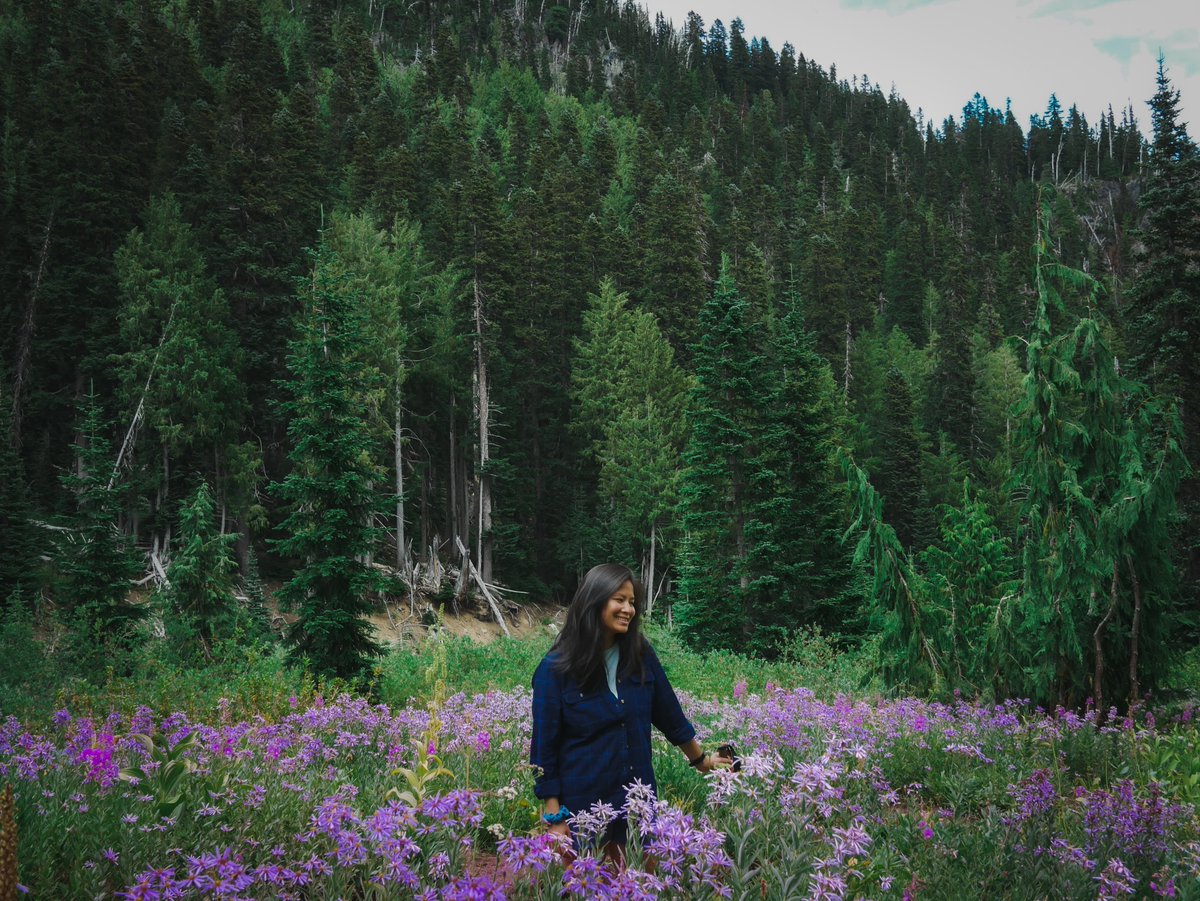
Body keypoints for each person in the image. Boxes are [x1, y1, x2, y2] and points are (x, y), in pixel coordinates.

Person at [529, 562, 730, 861]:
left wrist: (702, 761)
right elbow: (544, 749)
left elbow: (670, 716)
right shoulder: (556, 669)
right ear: (595, 601)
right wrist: (555, 817)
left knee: (639, 880)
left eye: (632, 602)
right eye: (619, 600)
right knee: (589, 882)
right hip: (583, 814)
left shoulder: (640, 654)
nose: (628, 609)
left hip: (638, 806)